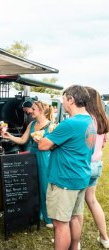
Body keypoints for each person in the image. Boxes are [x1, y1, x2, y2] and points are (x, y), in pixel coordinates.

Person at [37, 85, 96, 250]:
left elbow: (43, 145)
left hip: (65, 179)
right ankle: (74, 247)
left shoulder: (70, 123)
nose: (62, 104)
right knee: (75, 217)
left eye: (63, 100)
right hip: (80, 176)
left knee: (60, 223)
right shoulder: (90, 120)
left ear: (71, 99)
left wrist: (46, 136)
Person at [2, 100, 55, 228]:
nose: (30, 111)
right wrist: (8, 136)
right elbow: (22, 140)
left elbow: (54, 146)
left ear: (41, 111)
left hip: (44, 158)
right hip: (31, 157)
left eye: (34, 109)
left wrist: (42, 141)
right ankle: (35, 213)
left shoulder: (51, 126)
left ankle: (48, 218)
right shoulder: (31, 124)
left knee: (44, 187)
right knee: (32, 185)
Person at [83, 87, 109, 248]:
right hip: (97, 164)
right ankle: (105, 238)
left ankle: (74, 242)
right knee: (92, 201)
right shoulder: (102, 118)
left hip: (84, 164)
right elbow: (104, 142)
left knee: (76, 205)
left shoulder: (86, 119)